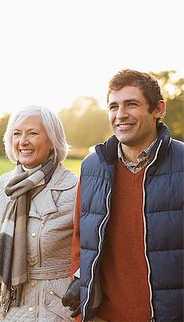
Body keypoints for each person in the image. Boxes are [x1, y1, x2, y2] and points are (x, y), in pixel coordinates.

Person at [63, 69, 184, 321]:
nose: (120, 115)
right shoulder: (92, 166)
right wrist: (80, 279)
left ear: (158, 109)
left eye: (131, 104)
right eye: (113, 106)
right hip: (104, 316)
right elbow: (80, 239)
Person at [0, 105, 78, 321]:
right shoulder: (5, 184)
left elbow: (96, 247)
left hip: (56, 308)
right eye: (16, 134)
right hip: (11, 308)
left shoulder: (74, 188)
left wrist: (82, 280)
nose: (23, 141)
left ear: (52, 140)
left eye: (33, 133)